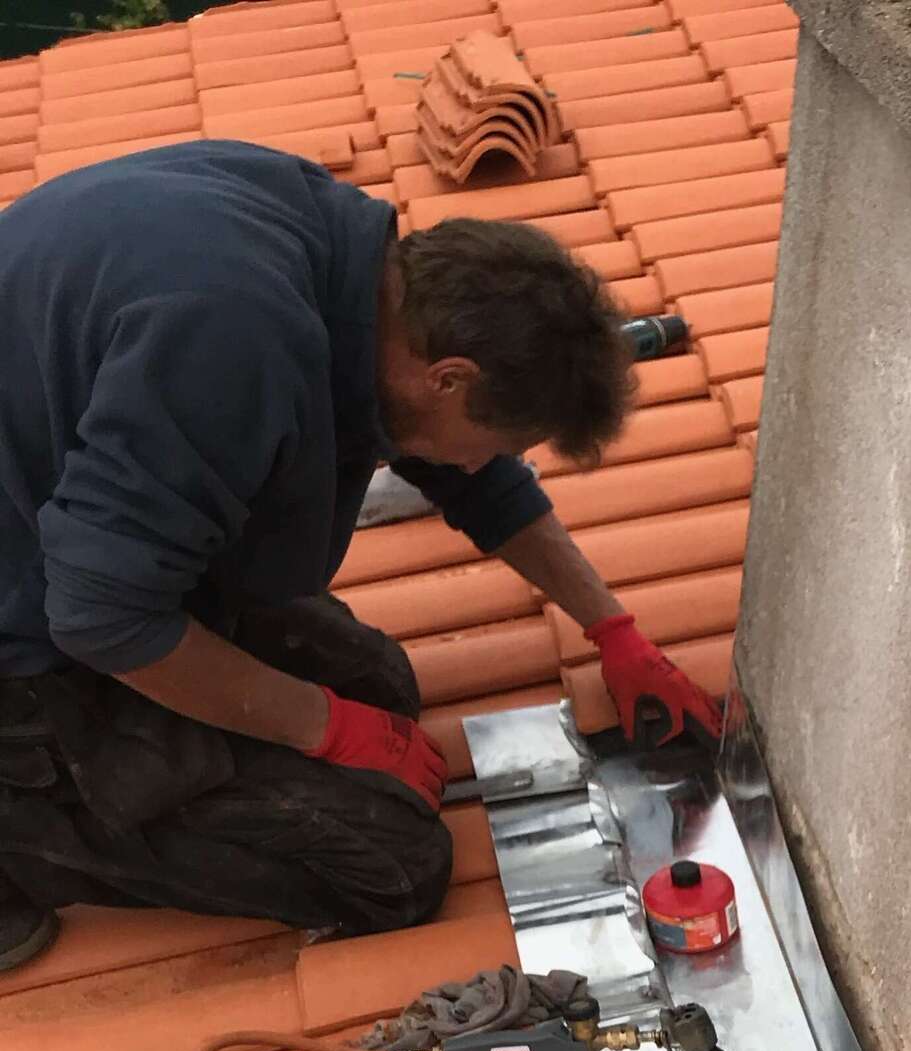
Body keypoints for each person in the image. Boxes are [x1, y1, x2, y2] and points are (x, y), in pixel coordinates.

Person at [0, 139, 721, 971]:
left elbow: (468, 474)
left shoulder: (364, 276)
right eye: (500, 442)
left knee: (381, 687)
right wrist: (325, 726)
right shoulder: (232, 343)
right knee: (390, 865)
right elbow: (100, 616)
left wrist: (612, 629)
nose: (486, 465)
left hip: (75, 525)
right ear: (448, 378)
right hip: (37, 620)